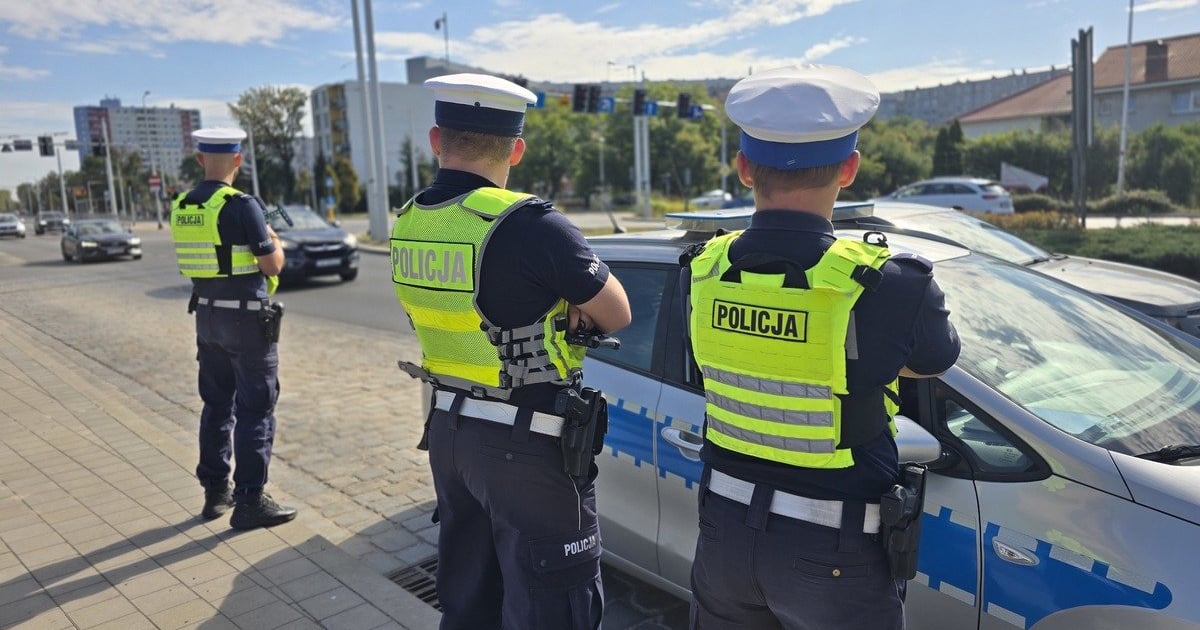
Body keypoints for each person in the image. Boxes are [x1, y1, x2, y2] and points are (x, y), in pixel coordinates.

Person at [685, 65, 961, 629]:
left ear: (742, 168)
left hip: (723, 532)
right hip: (835, 551)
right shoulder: (892, 284)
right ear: (850, 168)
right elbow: (929, 362)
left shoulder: (705, 268)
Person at [391, 73, 631, 629]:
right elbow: (617, 312)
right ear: (516, 149)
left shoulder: (409, 222)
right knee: (552, 605)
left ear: (435, 139)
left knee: (470, 599)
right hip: (527, 443)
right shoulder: (530, 224)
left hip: (449, 430)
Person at [170, 127, 297, 531]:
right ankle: (250, 501)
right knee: (256, 408)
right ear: (238, 161)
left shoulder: (183, 205)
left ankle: (215, 492)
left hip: (207, 317)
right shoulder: (243, 205)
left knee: (216, 404)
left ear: (200, 159)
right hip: (245, 320)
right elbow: (272, 265)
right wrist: (276, 240)